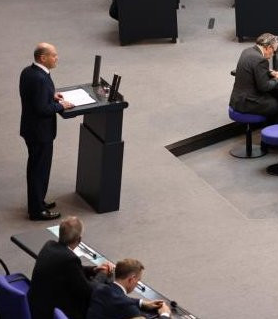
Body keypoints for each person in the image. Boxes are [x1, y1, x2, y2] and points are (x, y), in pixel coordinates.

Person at [19, 43, 73, 222]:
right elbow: (42, 109)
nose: (57, 58)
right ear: (43, 58)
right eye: (54, 55)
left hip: (32, 130)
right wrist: (60, 105)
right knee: (39, 170)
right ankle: (37, 211)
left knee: (37, 168)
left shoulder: (29, 72)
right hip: (40, 133)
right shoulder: (40, 78)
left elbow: (35, 97)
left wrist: (51, 95)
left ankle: (38, 202)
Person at [27, 217, 115, 318]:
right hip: (49, 313)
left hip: (36, 302)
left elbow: (73, 270)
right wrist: (103, 274)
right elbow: (88, 291)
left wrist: (93, 270)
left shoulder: (49, 245)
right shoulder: (70, 259)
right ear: (79, 239)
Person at [86, 259, 170, 319]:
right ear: (131, 279)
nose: (137, 283)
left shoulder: (100, 288)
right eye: (138, 280)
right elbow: (122, 302)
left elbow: (117, 298)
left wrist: (141, 303)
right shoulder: (127, 307)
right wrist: (165, 314)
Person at [229, 32, 278, 117]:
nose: (273, 55)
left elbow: (254, 68)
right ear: (268, 47)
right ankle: (274, 128)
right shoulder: (261, 60)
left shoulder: (247, 51)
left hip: (237, 99)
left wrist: (271, 72)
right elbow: (264, 87)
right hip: (247, 103)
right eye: (273, 51)